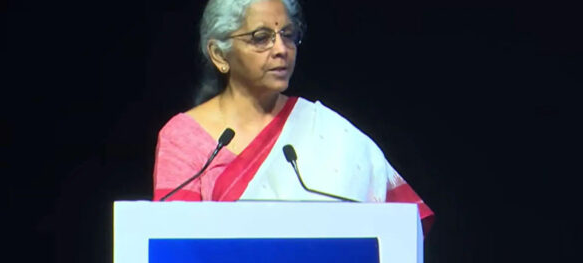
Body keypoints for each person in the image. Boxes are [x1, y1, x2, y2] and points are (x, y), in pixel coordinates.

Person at [153, 0, 434, 233]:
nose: (281, 49)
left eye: (288, 35)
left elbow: (401, 228)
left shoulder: (325, 130)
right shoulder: (183, 137)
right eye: (261, 37)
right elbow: (173, 240)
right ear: (219, 55)